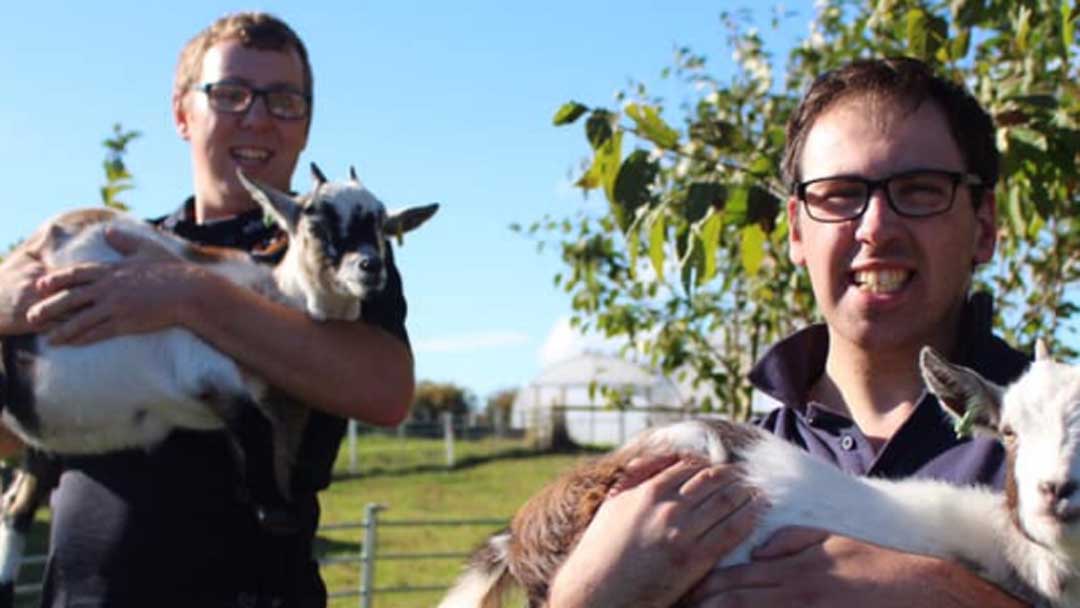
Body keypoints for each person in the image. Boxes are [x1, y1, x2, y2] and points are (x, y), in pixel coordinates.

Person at [547, 57, 1032, 607]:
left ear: (985, 226)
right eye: (841, 193)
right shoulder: (705, 474)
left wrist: (951, 595)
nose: (876, 226)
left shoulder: (1063, 444)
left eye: (920, 189)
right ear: (797, 231)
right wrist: (584, 596)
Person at [0, 12, 414, 607]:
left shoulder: (336, 245)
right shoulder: (117, 246)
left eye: (285, 101)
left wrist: (186, 296)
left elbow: (385, 391)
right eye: (230, 94)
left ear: (305, 125)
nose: (258, 116)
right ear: (181, 115)